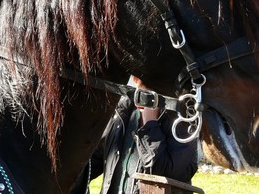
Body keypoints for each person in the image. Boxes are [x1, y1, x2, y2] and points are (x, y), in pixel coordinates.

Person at [70, 76, 198, 194]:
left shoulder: (181, 118)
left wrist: (150, 124)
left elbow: (166, 174)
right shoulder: (123, 110)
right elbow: (95, 159)